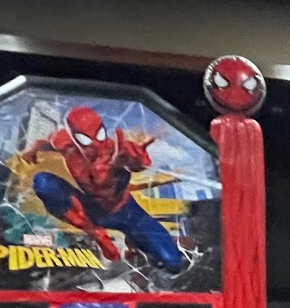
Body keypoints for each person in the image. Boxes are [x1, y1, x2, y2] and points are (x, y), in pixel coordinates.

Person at [16, 108, 185, 272]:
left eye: (100, 134)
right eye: (85, 139)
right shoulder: (66, 144)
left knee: (173, 262)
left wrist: (135, 160)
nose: (96, 145)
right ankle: (97, 233)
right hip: (92, 211)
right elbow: (47, 142)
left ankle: (139, 246)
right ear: (74, 138)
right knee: (43, 182)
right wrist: (33, 150)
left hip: (128, 213)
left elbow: (137, 161)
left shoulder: (118, 151)